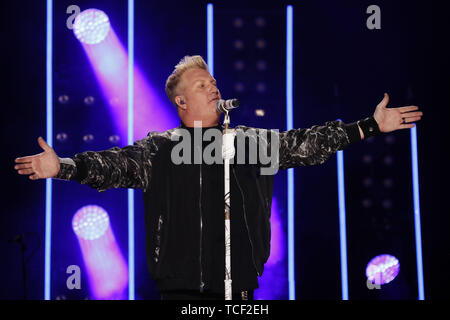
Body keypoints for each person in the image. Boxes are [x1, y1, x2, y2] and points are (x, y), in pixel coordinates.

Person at [14, 55, 422, 300]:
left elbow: (306, 143)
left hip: (242, 296)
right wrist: (63, 167)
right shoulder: (161, 148)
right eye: (200, 84)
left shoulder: (246, 142)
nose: (212, 87)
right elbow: (113, 166)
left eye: (212, 82)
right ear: (180, 100)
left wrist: (368, 125)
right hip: (179, 295)